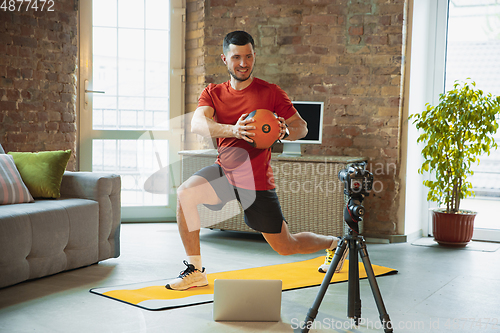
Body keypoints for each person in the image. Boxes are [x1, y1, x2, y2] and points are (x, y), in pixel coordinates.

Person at [166, 30, 345, 291]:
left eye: (248, 56)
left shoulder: (270, 92)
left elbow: (302, 127)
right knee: (185, 194)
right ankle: (195, 271)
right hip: (224, 173)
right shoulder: (213, 93)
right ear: (224, 59)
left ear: (254, 56)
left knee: (286, 246)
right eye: (236, 57)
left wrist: (286, 131)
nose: (243, 63)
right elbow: (197, 124)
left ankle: (334, 244)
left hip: (257, 181)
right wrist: (233, 130)